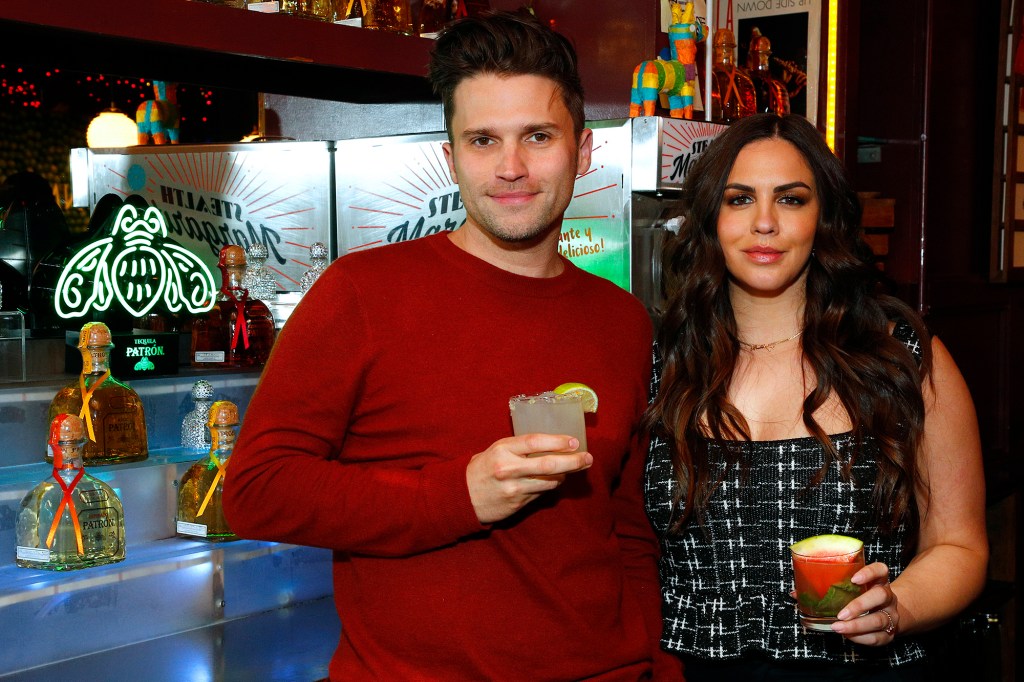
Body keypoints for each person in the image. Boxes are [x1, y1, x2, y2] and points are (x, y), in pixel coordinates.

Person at [223, 11, 679, 681]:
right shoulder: (362, 293)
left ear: (583, 152)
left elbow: (628, 526)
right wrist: (460, 495)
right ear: (451, 159)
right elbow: (259, 491)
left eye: (539, 136)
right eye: (483, 140)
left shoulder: (623, 321)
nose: (512, 167)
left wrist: (655, 663)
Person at [644, 113, 988, 679]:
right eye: (738, 199)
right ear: (709, 218)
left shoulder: (901, 353)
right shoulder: (661, 360)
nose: (764, 223)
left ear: (824, 216)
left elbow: (960, 546)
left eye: (791, 199)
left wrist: (898, 608)